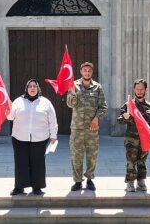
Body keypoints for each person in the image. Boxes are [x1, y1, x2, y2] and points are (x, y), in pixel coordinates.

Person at [7, 79, 58, 195]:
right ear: (26, 88)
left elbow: (53, 120)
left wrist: (53, 135)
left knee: (38, 163)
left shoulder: (45, 102)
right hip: (20, 137)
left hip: (40, 138)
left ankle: (37, 187)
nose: (32, 88)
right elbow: (10, 117)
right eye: (30, 86)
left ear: (38, 88)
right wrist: (8, 106)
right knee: (21, 162)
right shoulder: (18, 101)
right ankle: (19, 187)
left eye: (35, 86)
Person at [67, 62, 107, 191]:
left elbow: (103, 106)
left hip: (92, 128)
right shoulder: (73, 86)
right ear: (81, 72)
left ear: (92, 72)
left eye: (89, 71)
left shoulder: (97, 87)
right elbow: (70, 104)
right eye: (85, 70)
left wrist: (96, 118)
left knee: (92, 155)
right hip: (77, 128)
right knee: (76, 155)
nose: (87, 73)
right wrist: (73, 94)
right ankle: (77, 181)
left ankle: (90, 179)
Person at [117, 79, 150, 192]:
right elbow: (119, 120)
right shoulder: (128, 105)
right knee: (131, 161)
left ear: (145, 90)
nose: (139, 91)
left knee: (142, 161)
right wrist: (124, 117)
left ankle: (141, 181)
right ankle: (130, 182)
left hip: (145, 139)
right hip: (131, 139)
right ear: (134, 90)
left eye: (141, 89)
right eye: (137, 89)